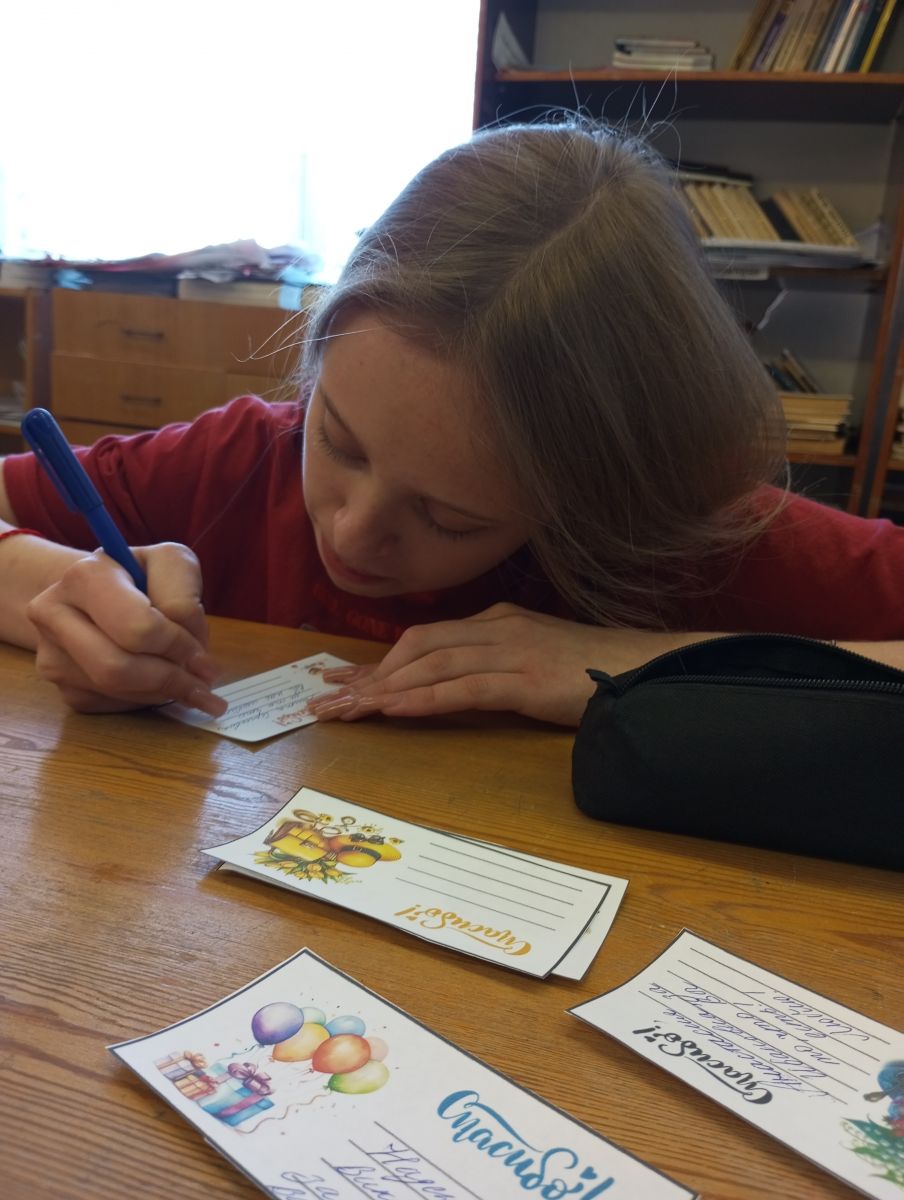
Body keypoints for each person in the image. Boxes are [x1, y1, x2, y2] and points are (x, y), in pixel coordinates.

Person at [2, 119, 903, 728]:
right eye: (338, 440)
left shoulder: (683, 534)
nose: (353, 532)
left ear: (589, 494)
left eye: (452, 517)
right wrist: (62, 591)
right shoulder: (243, 458)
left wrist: (636, 663)